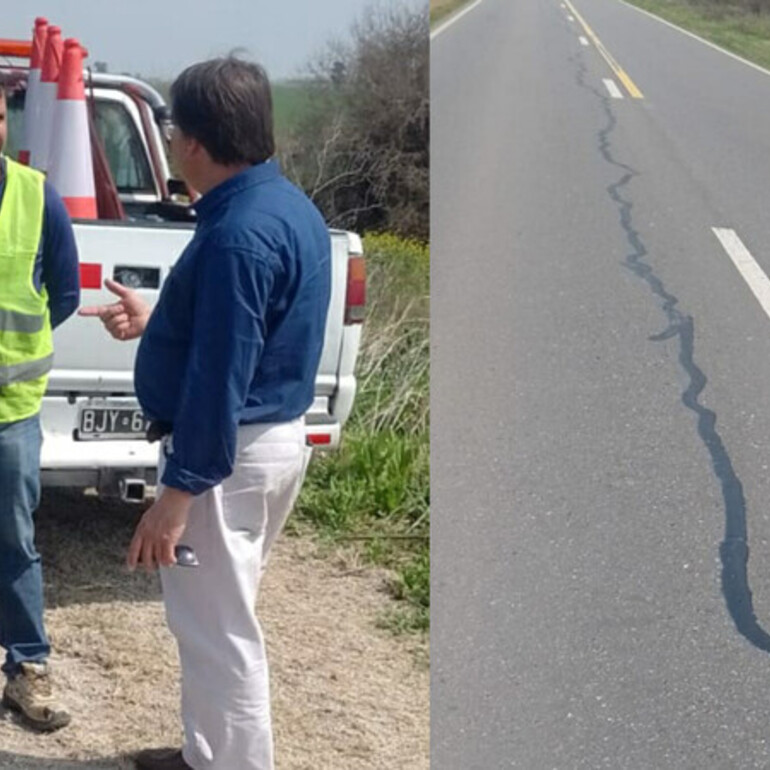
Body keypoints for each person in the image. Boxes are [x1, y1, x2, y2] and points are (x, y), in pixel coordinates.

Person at [80, 58, 330, 770]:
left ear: (189, 142)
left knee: (217, 630)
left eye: (171, 131)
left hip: (230, 456)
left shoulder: (235, 236)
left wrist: (177, 495)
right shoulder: (282, 207)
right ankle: (209, 753)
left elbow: (222, 374)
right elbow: (249, 330)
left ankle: (228, 764)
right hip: (265, 442)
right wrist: (160, 319)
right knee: (221, 617)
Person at [0, 81, 80, 731]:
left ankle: (26, 669)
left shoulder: (35, 197)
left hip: (10, 412)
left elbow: (65, 292)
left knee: (13, 542)